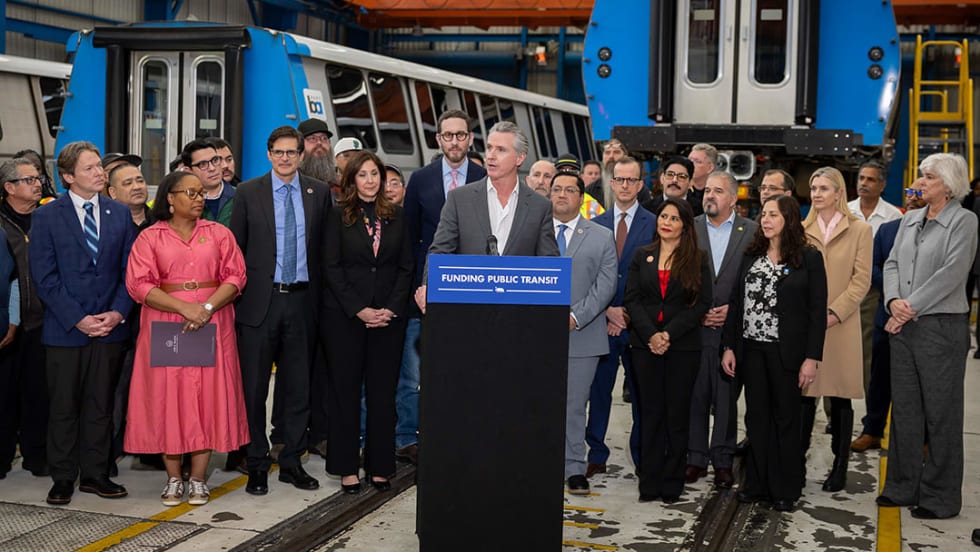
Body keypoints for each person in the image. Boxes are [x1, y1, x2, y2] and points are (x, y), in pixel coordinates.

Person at [124, 171, 249, 506]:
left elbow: (236, 275)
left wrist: (206, 307)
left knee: (206, 399)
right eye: (191, 193)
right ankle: (173, 478)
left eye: (201, 193)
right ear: (169, 197)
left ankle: (197, 479)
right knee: (169, 399)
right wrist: (185, 308)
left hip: (212, 323)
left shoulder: (219, 234)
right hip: (168, 324)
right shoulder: (150, 238)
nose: (199, 198)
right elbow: (139, 285)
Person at [29, 142, 136, 505]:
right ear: (68, 176)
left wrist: (118, 312)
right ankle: (63, 477)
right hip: (65, 330)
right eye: (89, 168)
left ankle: (95, 474)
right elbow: (44, 278)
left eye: (99, 167)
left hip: (110, 328)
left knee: (100, 405)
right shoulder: (46, 216)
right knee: (63, 406)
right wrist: (78, 319)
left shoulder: (119, 214)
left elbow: (129, 271)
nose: (99, 173)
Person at [230, 126, 331, 496]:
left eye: (292, 152)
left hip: (303, 302)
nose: (286, 158)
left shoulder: (318, 193)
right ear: (269, 154)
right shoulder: (247, 193)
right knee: (254, 388)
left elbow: (324, 252)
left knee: (297, 388)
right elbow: (236, 251)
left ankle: (290, 462)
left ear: (302, 156)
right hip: (260, 303)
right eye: (279, 152)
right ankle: (256, 463)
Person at [877, 153, 977, 520]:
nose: (919, 182)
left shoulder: (963, 222)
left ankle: (939, 498)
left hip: (940, 329)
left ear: (948, 186)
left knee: (941, 416)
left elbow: (952, 274)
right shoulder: (911, 220)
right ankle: (902, 487)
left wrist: (909, 307)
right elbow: (891, 263)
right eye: (920, 175)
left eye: (928, 177)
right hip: (903, 326)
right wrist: (892, 302)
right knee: (904, 412)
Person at [721, 195, 828, 512]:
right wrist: (729, 346)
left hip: (788, 353)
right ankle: (756, 484)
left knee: (786, 420)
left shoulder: (808, 258)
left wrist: (812, 357)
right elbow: (736, 303)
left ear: (789, 219)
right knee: (756, 420)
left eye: (773, 215)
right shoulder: (751, 255)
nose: (765, 220)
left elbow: (816, 311)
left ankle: (785, 488)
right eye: (763, 214)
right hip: (752, 350)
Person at [399, 110, 487, 464]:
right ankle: (407, 437)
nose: (454, 141)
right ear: (438, 140)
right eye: (447, 135)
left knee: (462, 367)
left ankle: (459, 432)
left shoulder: (484, 177)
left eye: (460, 135)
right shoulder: (420, 180)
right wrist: (414, 286)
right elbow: (410, 236)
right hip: (425, 289)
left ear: (469, 139)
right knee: (412, 371)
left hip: (470, 289)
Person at [323, 151, 413, 494]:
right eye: (363, 175)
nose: (371, 180)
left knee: (382, 394)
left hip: (388, 320)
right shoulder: (336, 217)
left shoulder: (398, 217)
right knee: (346, 393)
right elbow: (330, 267)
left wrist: (390, 308)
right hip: (346, 319)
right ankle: (347, 468)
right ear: (351, 180)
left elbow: (406, 266)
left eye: (375, 174)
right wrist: (359, 308)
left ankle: (380, 467)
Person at [415, 121, 560, 314]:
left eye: (501, 150)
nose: (490, 155)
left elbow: (548, 265)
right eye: (489, 147)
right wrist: (428, 285)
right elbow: (439, 251)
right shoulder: (459, 198)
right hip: (468, 313)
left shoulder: (539, 206)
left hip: (519, 317)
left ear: (520, 158)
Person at [625, 198, 712, 503]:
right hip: (644, 347)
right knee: (650, 415)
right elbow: (632, 300)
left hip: (682, 348)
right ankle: (648, 482)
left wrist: (668, 334)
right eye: (663, 216)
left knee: (676, 416)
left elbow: (701, 304)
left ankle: (672, 481)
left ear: (685, 226)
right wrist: (651, 335)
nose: (667, 222)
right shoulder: (642, 255)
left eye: (674, 218)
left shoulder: (697, 259)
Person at [800, 166, 872, 493]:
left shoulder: (860, 230)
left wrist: (834, 313)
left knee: (840, 398)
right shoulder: (801, 230)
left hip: (841, 325)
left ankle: (840, 466)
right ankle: (796, 462)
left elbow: (861, 281)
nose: (816, 193)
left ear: (839, 193)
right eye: (814, 187)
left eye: (824, 188)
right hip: (807, 325)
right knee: (804, 396)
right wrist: (811, 316)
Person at [686, 172, 757, 488]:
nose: (710, 195)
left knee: (727, 399)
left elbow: (755, 279)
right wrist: (699, 313)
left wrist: (733, 310)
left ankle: (723, 461)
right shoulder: (689, 229)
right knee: (695, 396)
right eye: (707, 191)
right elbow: (677, 276)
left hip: (732, 332)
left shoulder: (752, 232)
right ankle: (695, 459)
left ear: (733, 198)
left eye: (717, 191)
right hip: (695, 329)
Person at [586, 156, 655, 478]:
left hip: (638, 325)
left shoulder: (654, 224)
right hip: (602, 322)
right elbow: (590, 275)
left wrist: (628, 314)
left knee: (642, 394)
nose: (625, 185)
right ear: (611, 184)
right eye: (620, 180)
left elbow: (655, 279)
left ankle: (642, 455)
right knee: (599, 393)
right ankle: (596, 453)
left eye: (632, 180)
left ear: (640, 185)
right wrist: (607, 311)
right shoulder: (596, 224)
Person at [550, 171, 617, 496]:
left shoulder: (601, 236)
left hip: (583, 335)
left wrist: (576, 317)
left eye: (568, 190)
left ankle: (575, 467)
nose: (562, 194)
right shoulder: (533, 233)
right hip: (535, 336)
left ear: (580, 197)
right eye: (556, 189)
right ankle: (541, 462)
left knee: (574, 405)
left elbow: (606, 286)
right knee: (538, 403)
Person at [852, 182, 924, 455]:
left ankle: (924, 439)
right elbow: (873, 267)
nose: (914, 198)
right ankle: (872, 430)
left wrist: (912, 299)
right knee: (879, 378)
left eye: (919, 193)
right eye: (910, 193)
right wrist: (896, 296)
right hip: (887, 314)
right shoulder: (888, 230)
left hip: (921, 317)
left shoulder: (938, 231)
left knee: (921, 383)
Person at [847, 161, 902, 452]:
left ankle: (872, 425)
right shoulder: (845, 210)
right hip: (843, 290)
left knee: (871, 360)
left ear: (882, 185)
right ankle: (836, 416)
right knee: (838, 352)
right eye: (861, 178)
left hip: (873, 293)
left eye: (870, 179)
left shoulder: (893, 217)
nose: (864, 183)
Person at [0, 159, 46, 478]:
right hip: (8, 325)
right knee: (3, 394)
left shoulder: (48, 218)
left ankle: (37, 456)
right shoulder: (1, 224)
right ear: (9, 188)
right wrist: (12, 318)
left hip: (44, 323)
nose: (37, 183)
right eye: (28, 179)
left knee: (39, 393)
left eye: (38, 177)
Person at [182, 139, 234, 227]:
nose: (212, 168)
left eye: (215, 160)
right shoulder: (181, 202)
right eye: (202, 164)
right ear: (189, 171)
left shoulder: (241, 196)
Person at [686, 143, 717, 208]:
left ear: (710, 168)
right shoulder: (681, 191)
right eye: (689, 160)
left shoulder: (718, 195)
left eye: (697, 161)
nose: (690, 164)